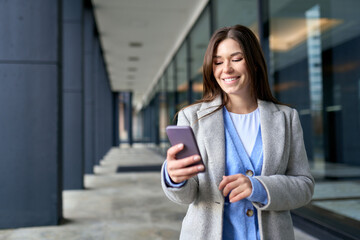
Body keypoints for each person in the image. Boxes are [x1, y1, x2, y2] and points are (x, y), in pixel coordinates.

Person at [161, 25, 314, 240]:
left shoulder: (286, 118)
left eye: (236, 59)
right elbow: (187, 196)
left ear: (254, 63)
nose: (227, 69)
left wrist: (258, 186)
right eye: (218, 62)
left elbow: (304, 186)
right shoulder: (192, 117)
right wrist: (175, 178)